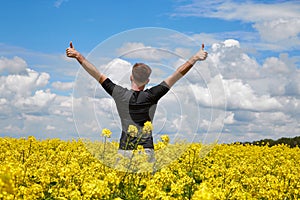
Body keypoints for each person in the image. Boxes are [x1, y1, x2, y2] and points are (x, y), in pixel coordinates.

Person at [66, 42, 208, 161]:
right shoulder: (152, 95)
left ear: (130, 77)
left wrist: (78, 56)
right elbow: (178, 73)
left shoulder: (120, 94)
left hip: (125, 151)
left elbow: (96, 74)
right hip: (146, 150)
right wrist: (195, 58)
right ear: (147, 81)